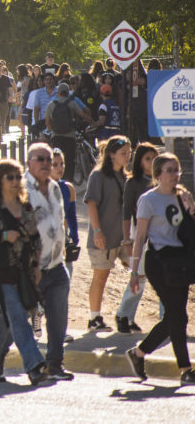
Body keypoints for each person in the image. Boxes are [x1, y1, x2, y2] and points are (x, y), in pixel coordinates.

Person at [0, 159, 48, 385]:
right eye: (11, 177)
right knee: (16, 316)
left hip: (24, 271)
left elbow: (36, 239)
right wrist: (3, 236)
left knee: (6, 319)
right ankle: (35, 365)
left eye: (18, 177)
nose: (16, 181)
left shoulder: (25, 208)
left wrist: (37, 267)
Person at [125, 153, 195, 385]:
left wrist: (190, 206)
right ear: (157, 175)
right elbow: (140, 238)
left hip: (180, 261)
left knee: (177, 316)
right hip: (159, 261)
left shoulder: (181, 197)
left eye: (176, 170)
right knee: (177, 315)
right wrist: (134, 272)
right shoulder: (148, 200)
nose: (174, 174)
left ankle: (139, 353)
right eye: (169, 170)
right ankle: (185, 369)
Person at [23, 142, 73, 380]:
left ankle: (54, 364)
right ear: (29, 162)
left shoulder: (54, 187)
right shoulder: (19, 188)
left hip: (56, 265)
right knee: (12, 320)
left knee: (58, 319)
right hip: (28, 268)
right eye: (40, 159)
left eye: (48, 160)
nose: (46, 163)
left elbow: (59, 220)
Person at [83, 135, 131, 330]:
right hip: (103, 237)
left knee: (139, 271)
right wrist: (97, 231)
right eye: (123, 153)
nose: (128, 157)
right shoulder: (98, 176)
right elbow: (91, 204)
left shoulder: (126, 177)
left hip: (123, 238)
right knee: (100, 277)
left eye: (129, 153)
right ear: (112, 154)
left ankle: (125, 315)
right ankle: (94, 318)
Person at [115, 142, 156, 334]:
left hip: (157, 235)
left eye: (154, 158)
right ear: (139, 161)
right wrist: (127, 241)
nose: (151, 162)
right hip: (138, 232)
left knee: (156, 277)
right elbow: (125, 213)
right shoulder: (133, 183)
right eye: (148, 158)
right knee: (137, 277)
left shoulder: (160, 181)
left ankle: (166, 319)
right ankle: (123, 315)